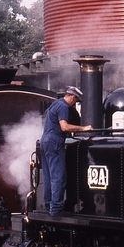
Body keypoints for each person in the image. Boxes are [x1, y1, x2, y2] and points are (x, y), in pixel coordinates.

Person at [40, 86, 93, 215]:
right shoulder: (64, 107)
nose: (74, 104)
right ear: (73, 97)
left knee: (48, 176)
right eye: (75, 101)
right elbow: (64, 127)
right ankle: (57, 208)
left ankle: (49, 205)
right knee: (59, 176)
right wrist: (83, 128)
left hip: (44, 141)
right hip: (55, 142)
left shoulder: (55, 104)